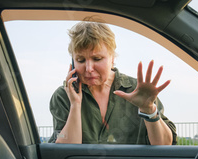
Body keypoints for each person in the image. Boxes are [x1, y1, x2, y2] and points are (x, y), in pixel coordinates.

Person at [48, 20, 177, 145]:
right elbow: (65, 150)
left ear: (112, 58)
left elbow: (164, 144)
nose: (88, 68)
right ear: (73, 61)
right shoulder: (63, 96)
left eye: (97, 59)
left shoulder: (138, 90)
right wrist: (75, 105)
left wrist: (148, 109)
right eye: (80, 60)